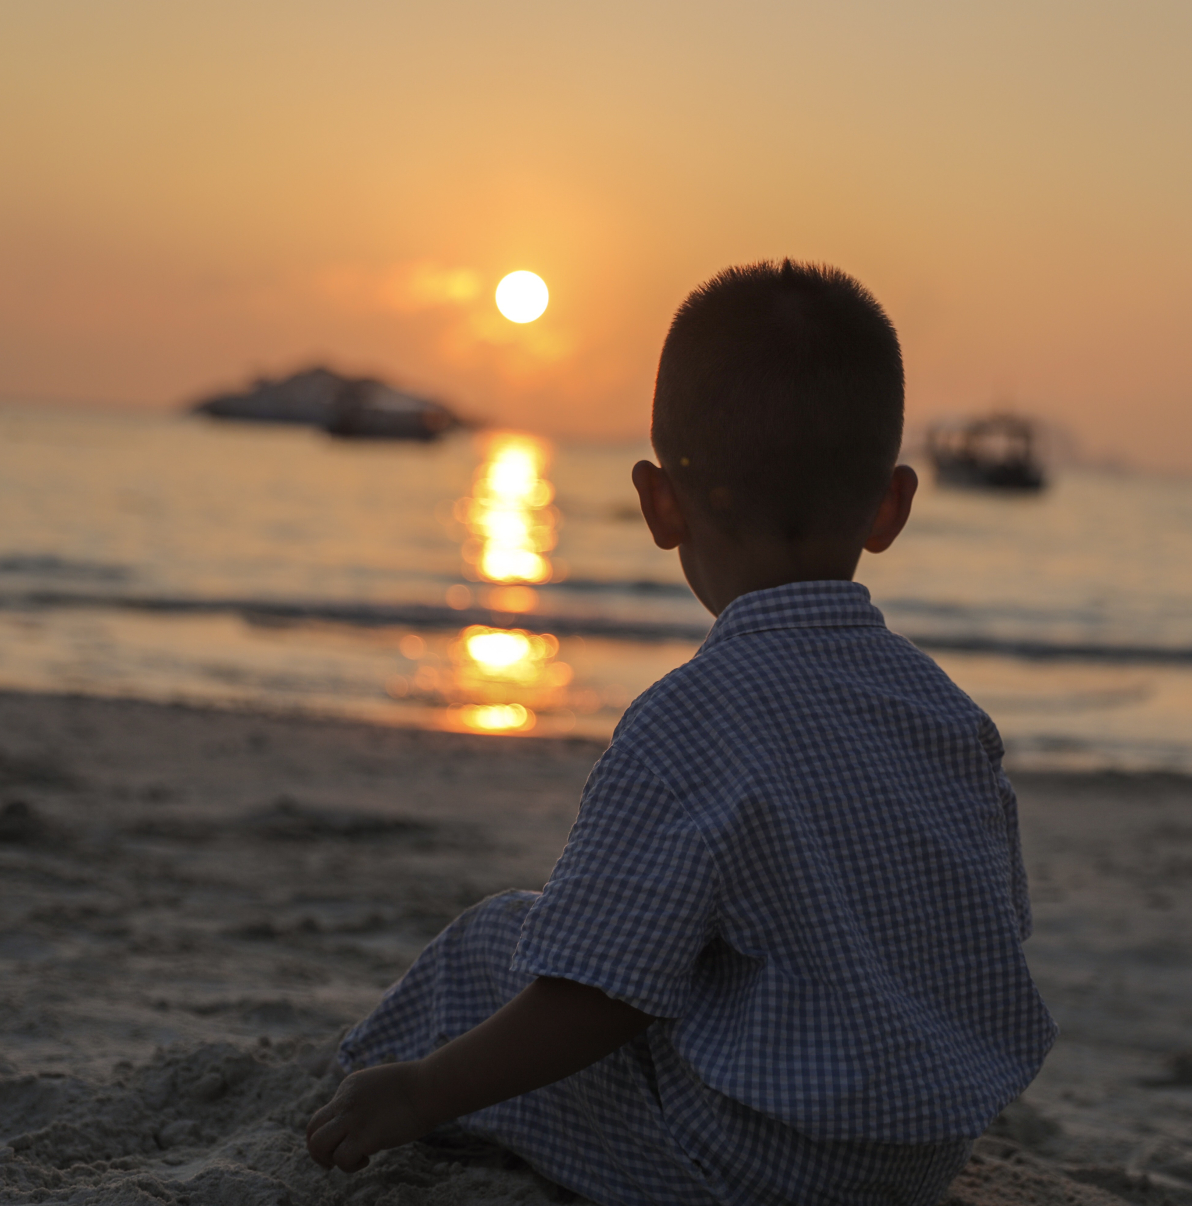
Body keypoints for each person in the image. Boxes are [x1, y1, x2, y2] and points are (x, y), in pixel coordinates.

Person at [305, 260, 1056, 1204]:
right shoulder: (948, 714)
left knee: (495, 943)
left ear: (661, 504)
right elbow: (990, 928)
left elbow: (597, 997)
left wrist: (426, 1087)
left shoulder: (688, 720)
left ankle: (373, 1093)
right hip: (916, 1159)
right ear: (890, 509)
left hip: (752, 1164)